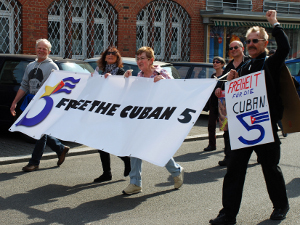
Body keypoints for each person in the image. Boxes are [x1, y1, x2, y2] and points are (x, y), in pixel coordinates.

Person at [209, 10, 290, 225]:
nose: (252, 43)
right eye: (249, 41)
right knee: (234, 170)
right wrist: (226, 87)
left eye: (256, 40)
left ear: (264, 43)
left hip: (264, 125)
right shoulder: (243, 67)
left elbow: (285, 48)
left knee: (270, 168)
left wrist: (274, 22)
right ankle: (228, 214)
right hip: (242, 127)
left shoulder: (269, 63)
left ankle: (281, 205)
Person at [122, 46, 184, 195]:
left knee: (158, 148)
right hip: (142, 119)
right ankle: (135, 182)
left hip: (158, 119)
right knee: (134, 148)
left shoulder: (162, 73)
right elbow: (131, 96)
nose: (139, 61)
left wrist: (163, 82)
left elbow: (176, 91)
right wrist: (126, 81)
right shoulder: (139, 77)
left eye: (142, 58)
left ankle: (176, 171)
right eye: (138, 58)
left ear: (151, 60)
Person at [10, 39, 70, 172]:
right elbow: (24, 85)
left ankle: (34, 162)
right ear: (36, 49)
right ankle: (60, 148)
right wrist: (14, 102)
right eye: (39, 48)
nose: (41, 51)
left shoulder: (52, 67)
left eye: (44, 49)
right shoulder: (30, 66)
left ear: (49, 51)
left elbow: (56, 88)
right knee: (38, 131)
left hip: (45, 103)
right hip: (31, 102)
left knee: (39, 132)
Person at [92, 46, 131, 183]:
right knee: (100, 142)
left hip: (114, 113)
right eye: (108, 53)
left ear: (117, 57)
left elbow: (123, 90)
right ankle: (107, 173)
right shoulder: (100, 71)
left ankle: (127, 160)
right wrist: (93, 80)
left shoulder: (120, 72)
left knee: (111, 142)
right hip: (101, 112)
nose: (110, 55)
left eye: (113, 53)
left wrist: (112, 79)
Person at [215, 41, 251, 166]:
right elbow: (223, 80)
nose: (233, 49)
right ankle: (228, 157)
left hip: (245, 104)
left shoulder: (249, 62)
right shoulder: (230, 65)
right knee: (227, 131)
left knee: (246, 129)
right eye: (231, 48)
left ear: (242, 48)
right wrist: (219, 88)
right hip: (230, 104)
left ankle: (255, 154)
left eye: (236, 47)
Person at [204, 56, 225, 152]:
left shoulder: (226, 75)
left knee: (225, 126)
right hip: (213, 103)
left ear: (222, 64)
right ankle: (212, 145)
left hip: (223, 104)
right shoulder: (213, 76)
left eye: (217, 62)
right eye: (214, 62)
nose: (215, 63)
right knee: (211, 125)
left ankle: (228, 145)